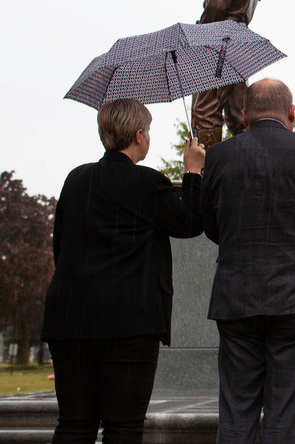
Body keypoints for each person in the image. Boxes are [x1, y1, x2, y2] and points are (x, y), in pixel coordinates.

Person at [41, 99, 205, 443]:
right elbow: (189, 223)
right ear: (139, 134)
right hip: (129, 324)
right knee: (123, 427)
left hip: (70, 318)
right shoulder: (147, 182)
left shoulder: (75, 180)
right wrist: (192, 172)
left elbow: (62, 247)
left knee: (73, 425)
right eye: (149, 133)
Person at [201, 79, 295, 443]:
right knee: (284, 414)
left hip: (238, 296)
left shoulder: (220, 155)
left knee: (236, 413)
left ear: (245, 115)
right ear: (291, 113)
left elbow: (209, 224)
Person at [192, 0, 262, 148]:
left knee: (205, 110)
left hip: (219, 44)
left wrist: (198, 37)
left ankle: (205, 171)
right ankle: (245, 168)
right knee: (238, 114)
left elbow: (215, 9)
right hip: (238, 45)